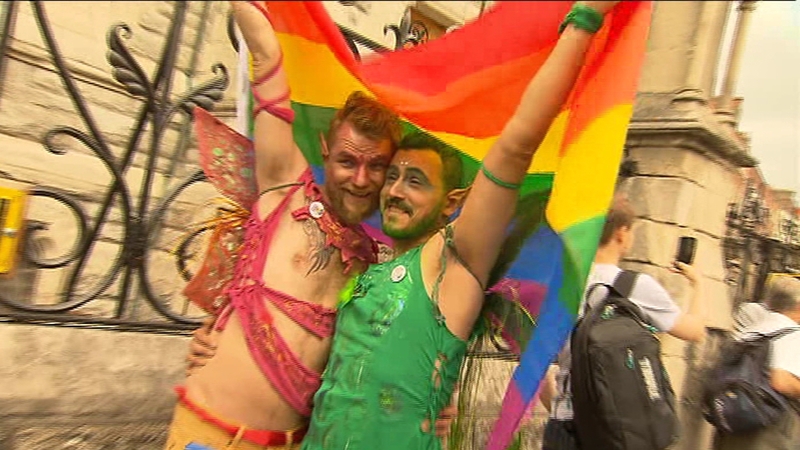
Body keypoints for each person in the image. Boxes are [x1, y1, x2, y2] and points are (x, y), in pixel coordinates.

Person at [297, 3, 622, 449]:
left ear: (453, 203)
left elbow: (515, 147)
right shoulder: (367, 268)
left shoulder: (453, 263)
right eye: (392, 176)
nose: (393, 190)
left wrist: (583, 22)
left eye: (415, 181)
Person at [163, 0, 403, 448]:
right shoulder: (282, 188)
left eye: (377, 166)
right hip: (209, 433)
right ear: (324, 151)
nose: (360, 179)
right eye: (348, 161)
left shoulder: (373, 264)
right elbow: (267, 55)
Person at [540, 194, 707, 450]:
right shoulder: (633, 287)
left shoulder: (558, 285)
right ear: (621, 233)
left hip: (561, 427)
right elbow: (695, 331)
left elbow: (538, 372)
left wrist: (562, 413)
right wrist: (697, 285)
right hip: (613, 432)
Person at [713, 276, 800, 450]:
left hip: (735, 418)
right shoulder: (791, 334)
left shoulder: (752, 330)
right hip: (768, 426)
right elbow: (781, 381)